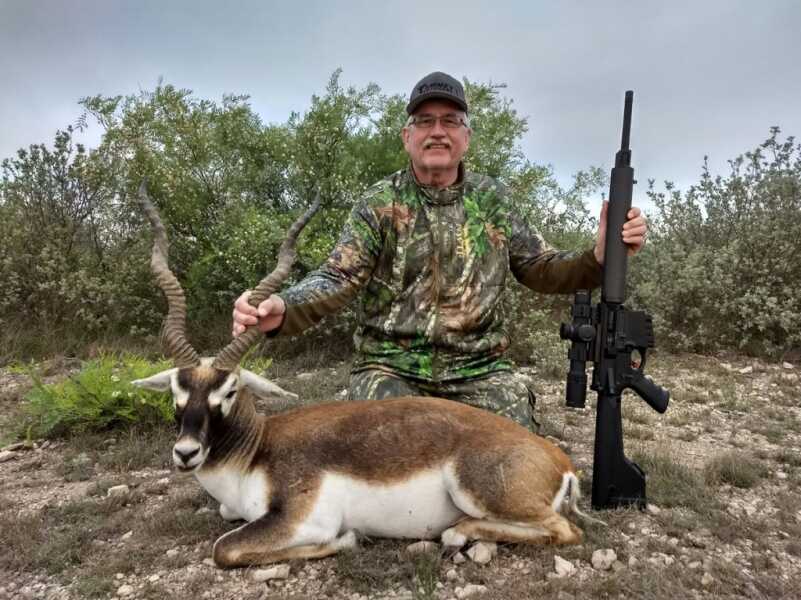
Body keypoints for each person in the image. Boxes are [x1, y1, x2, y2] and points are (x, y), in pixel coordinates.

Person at [232, 71, 647, 430]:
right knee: (377, 451)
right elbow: (338, 276)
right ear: (407, 136)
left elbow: (541, 267)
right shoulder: (378, 203)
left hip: (481, 370)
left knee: (509, 459)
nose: (437, 131)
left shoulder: (493, 200)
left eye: (450, 121)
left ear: (466, 137)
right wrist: (282, 307)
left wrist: (597, 258)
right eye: (425, 121)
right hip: (390, 368)